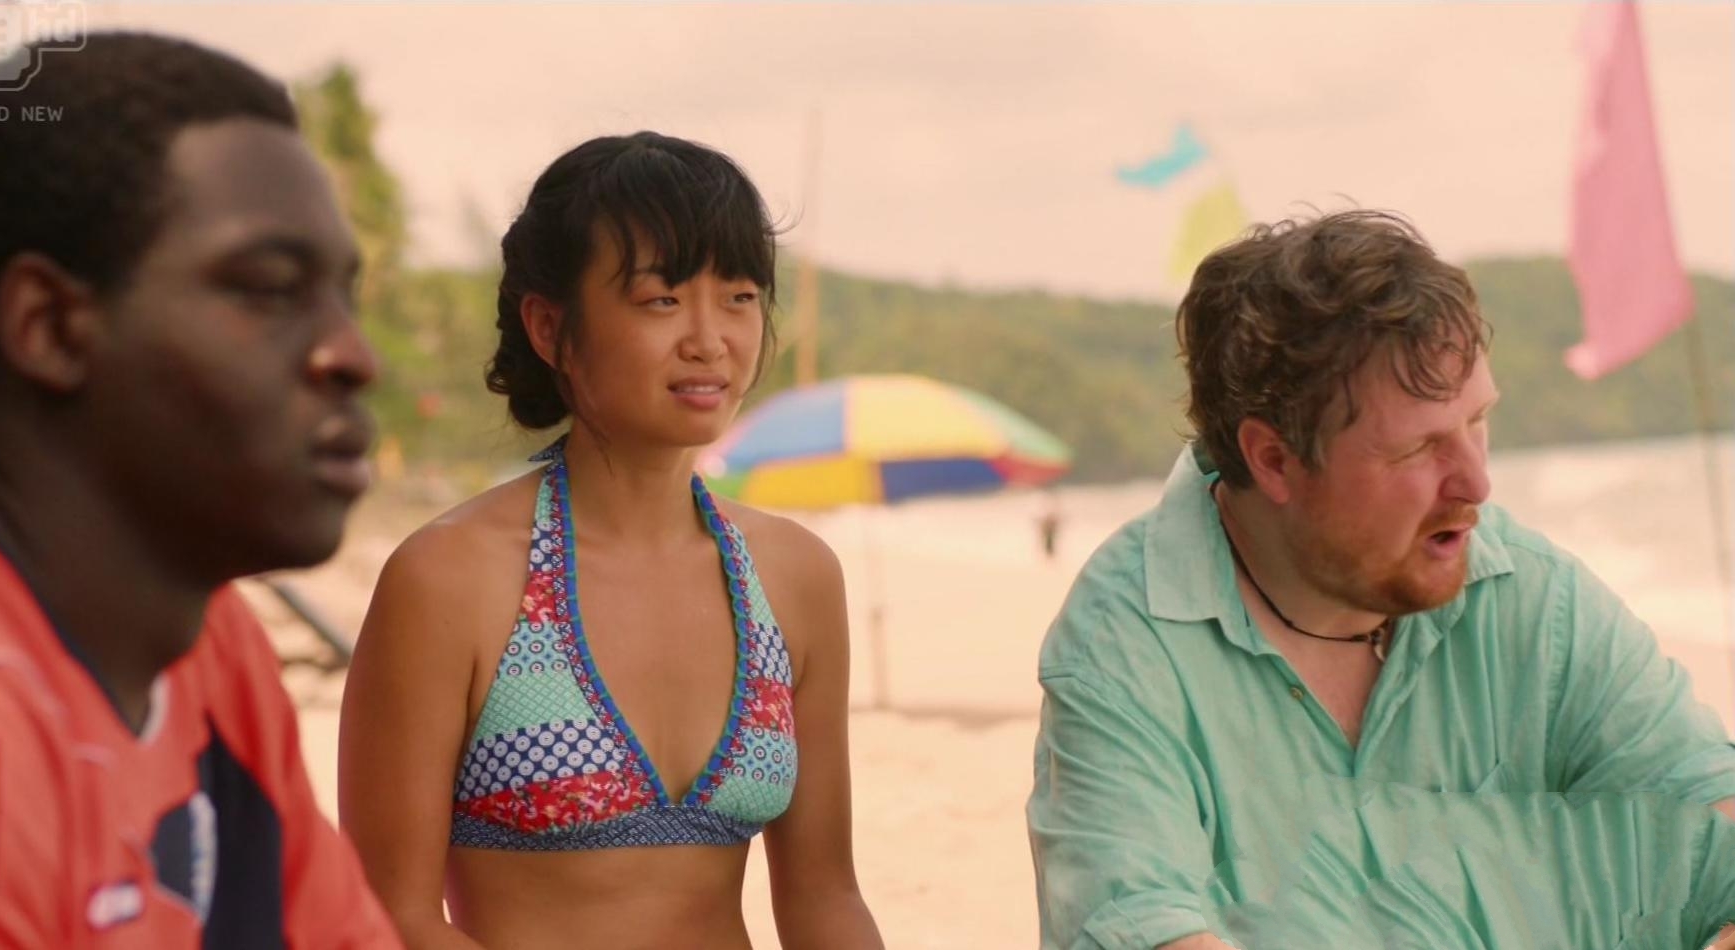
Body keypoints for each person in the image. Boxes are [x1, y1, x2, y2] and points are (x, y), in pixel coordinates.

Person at [0, 33, 401, 947]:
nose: (353, 357)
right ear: (51, 326)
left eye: (343, 298)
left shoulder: (213, 646)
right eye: (269, 289)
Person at [1027, 210, 1735, 950]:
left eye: (1478, 422)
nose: (1477, 483)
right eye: (1419, 448)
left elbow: (1709, 813)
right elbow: (1143, 927)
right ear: (1273, 460)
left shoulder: (1532, 594)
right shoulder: (1123, 644)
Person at [338, 131, 885, 949]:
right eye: (662, 300)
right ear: (550, 327)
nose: (710, 339)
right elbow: (388, 913)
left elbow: (825, 897)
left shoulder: (793, 576)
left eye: (739, 296)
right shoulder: (452, 578)